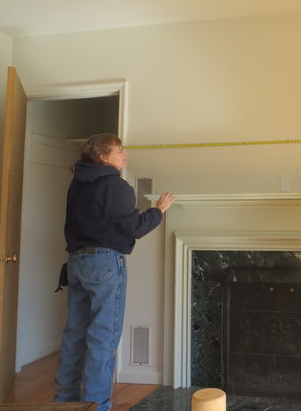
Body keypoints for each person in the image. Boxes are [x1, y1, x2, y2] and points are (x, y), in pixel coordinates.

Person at [54, 133, 175, 411]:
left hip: (77, 262)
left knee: (75, 334)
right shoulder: (114, 185)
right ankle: (96, 406)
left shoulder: (78, 182)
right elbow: (134, 228)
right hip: (104, 264)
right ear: (103, 157)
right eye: (119, 150)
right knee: (102, 338)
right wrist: (158, 210)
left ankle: (62, 403)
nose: (125, 154)